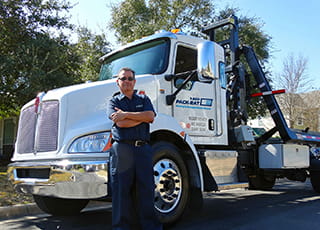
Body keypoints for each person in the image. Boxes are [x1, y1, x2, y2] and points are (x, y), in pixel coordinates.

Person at [108, 67, 162, 230]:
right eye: (123, 78)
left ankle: (150, 226)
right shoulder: (114, 102)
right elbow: (121, 123)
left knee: (146, 188)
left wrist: (126, 114)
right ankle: (121, 227)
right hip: (122, 150)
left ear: (135, 81)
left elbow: (150, 117)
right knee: (121, 190)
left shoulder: (143, 98)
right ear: (118, 82)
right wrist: (139, 117)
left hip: (142, 149)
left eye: (130, 79)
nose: (127, 82)